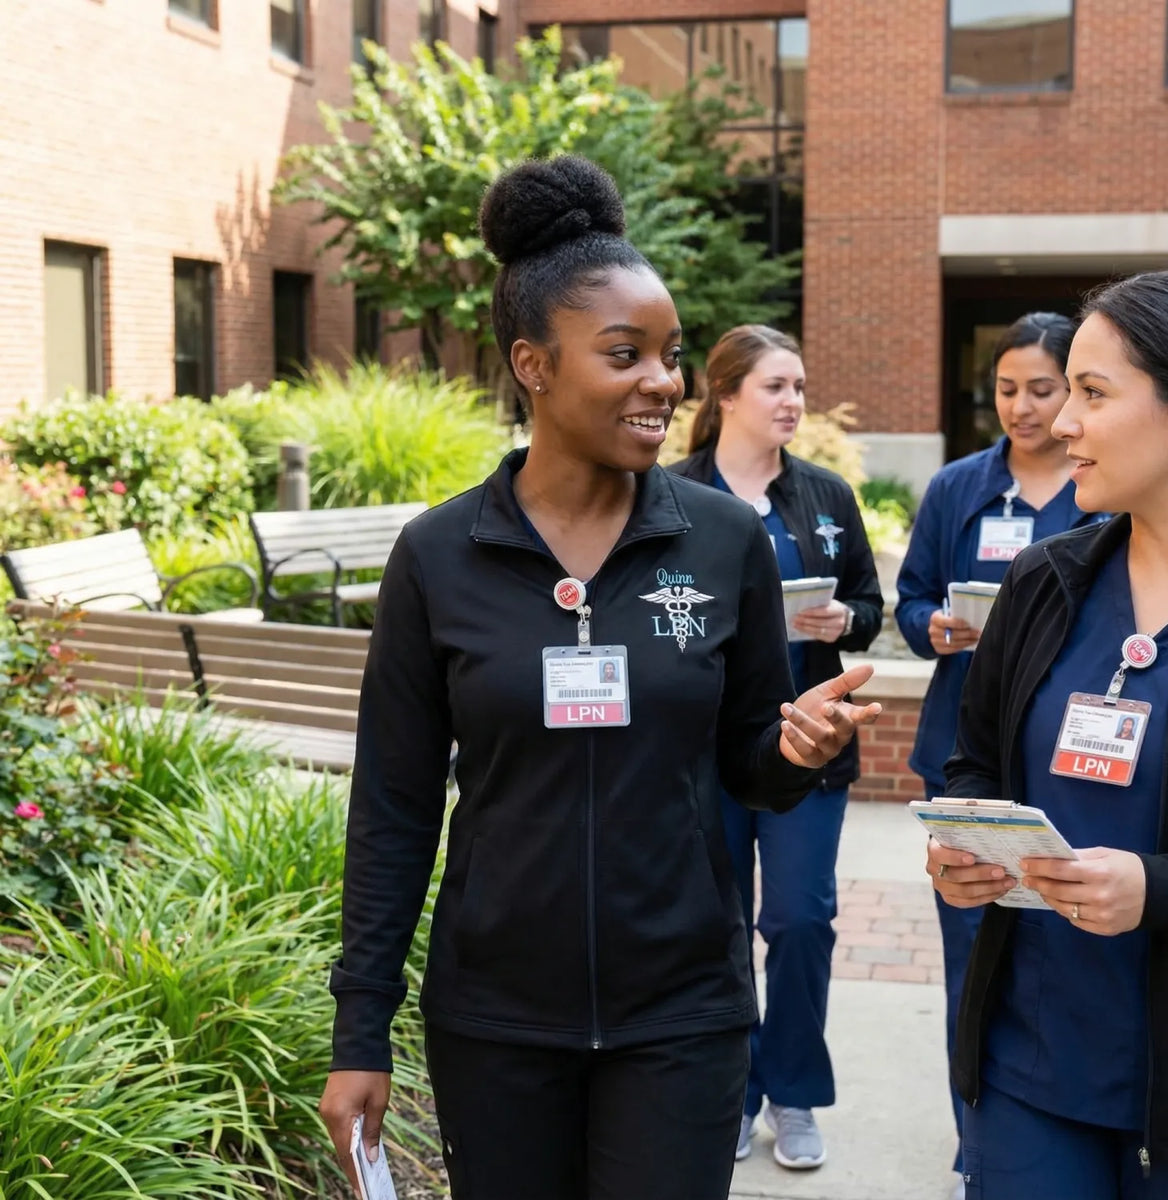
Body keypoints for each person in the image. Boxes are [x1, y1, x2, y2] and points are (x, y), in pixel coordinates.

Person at [317, 155, 883, 1200]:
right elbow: (392, 806)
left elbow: (748, 766)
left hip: (683, 1012)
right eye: (625, 355)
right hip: (494, 1019)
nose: (663, 382)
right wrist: (362, 1032)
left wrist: (792, 750)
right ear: (533, 364)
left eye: (668, 356)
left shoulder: (720, 542)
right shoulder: (440, 556)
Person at [928, 269, 1168, 1198]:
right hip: (1031, 1073)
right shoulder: (1046, 582)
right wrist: (964, 848)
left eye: (1092, 393)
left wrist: (1156, 890)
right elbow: (975, 768)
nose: (1061, 422)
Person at [895, 311, 1106, 1189]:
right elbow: (909, 602)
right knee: (974, 964)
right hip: (971, 749)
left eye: (1046, 389)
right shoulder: (957, 488)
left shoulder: (1102, 494)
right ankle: (979, 1136)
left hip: (1073, 762)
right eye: (1006, 389)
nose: (1024, 407)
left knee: (1074, 965)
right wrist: (933, 626)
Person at [670, 325, 883, 1170]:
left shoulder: (826, 496)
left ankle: (792, 1092)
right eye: (776, 387)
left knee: (800, 921)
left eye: (799, 386)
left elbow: (868, 600)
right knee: (716, 926)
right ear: (725, 396)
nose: (794, 401)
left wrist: (846, 620)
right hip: (708, 753)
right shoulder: (670, 494)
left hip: (809, 750)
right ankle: (732, 1093)